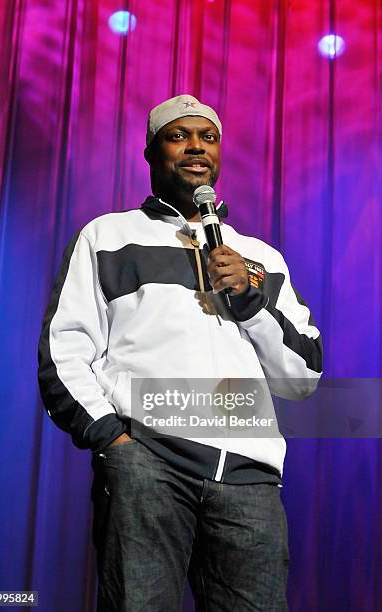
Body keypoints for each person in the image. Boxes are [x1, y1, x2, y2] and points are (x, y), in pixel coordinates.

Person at [38, 94, 323, 611]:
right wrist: (115, 440)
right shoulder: (107, 236)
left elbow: (304, 377)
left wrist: (251, 303)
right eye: (179, 135)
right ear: (151, 152)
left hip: (249, 479)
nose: (196, 147)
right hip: (149, 464)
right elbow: (64, 353)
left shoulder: (258, 256)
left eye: (208, 137)